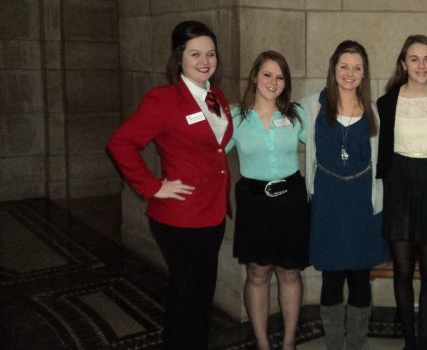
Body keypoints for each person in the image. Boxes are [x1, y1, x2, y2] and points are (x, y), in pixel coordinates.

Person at [107, 21, 232, 350]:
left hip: (212, 212)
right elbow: (120, 144)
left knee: (194, 296)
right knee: (191, 298)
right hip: (181, 217)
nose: (204, 61)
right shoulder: (162, 99)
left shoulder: (216, 95)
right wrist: (153, 187)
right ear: (179, 58)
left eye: (210, 54)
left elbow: (215, 146)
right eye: (195, 54)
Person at [300, 40, 389, 350]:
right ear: (333, 69)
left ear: (364, 73)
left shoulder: (373, 111)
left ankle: (356, 345)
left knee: (361, 278)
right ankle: (335, 344)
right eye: (344, 67)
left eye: (357, 68)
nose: (349, 73)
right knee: (332, 278)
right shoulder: (312, 106)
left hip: (362, 204)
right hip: (328, 203)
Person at [376, 35, 427, 350]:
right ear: (403, 64)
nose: (421, 65)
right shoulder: (387, 103)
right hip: (399, 183)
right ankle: (409, 341)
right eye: (414, 59)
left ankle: (422, 343)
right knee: (402, 270)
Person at [226, 51, 309, 350]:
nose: (273, 82)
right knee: (258, 273)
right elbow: (210, 153)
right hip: (254, 202)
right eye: (267, 74)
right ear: (254, 76)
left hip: (291, 200)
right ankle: (262, 344)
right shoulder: (235, 117)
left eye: (280, 77)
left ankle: (288, 343)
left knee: (290, 271)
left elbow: (323, 141)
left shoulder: (296, 115)